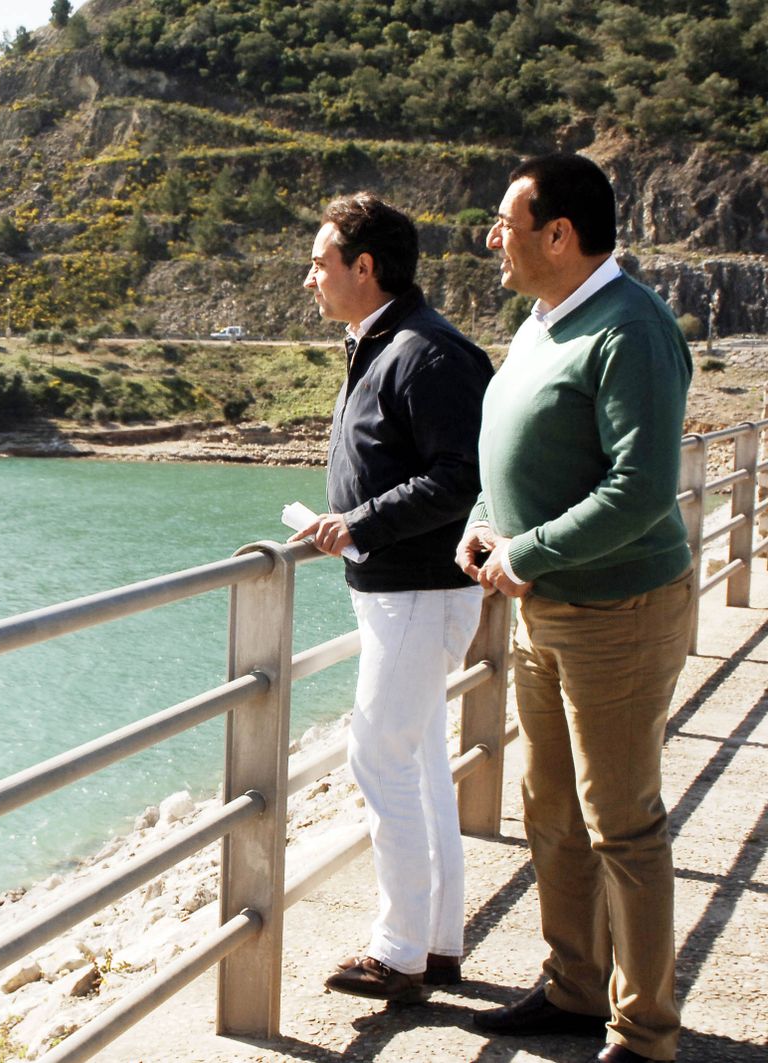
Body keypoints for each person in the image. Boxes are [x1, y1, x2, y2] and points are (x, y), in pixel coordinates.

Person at [458, 153, 693, 1063]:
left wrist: (531, 551)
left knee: (622, 824)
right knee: (549, 806)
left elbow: (641, 489)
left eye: (504, 225)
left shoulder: (631, 328)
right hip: (544, 603)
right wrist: (486, 523)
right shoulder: (541, 320)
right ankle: (572, 988)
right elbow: (512, 453)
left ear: (559, 234)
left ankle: (644, 1033)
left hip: (618, 608)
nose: (492, 241)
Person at [289, 192, 493, 1004]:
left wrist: (359, 522)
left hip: (415, 590)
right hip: (403, 589)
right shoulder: (388, 343)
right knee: (421, 764)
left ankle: (400, 951)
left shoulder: (424, 352)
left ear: (363, 267)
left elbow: (458, 476)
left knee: (379, 757)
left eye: (319, 261)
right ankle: (437, 942)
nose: (309, 278)